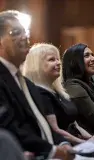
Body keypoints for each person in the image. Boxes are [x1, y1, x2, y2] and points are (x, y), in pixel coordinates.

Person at [22, 43, 94, 160]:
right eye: (51, 60)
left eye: (57, 59)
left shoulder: (59, 92)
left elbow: (74, 123)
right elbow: (56, 131)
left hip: (79, 142)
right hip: (64, 147)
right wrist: (85, 141)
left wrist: (91, 138)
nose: (58, 63)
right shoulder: (41, 94)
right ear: (37, 65)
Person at [0, 10, 76, 160]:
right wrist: (52, 151)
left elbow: (42, 124)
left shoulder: (27, 83)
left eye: (25, 32)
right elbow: (10, 127)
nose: (25, 37)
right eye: (15, 32)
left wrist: (63, 143)